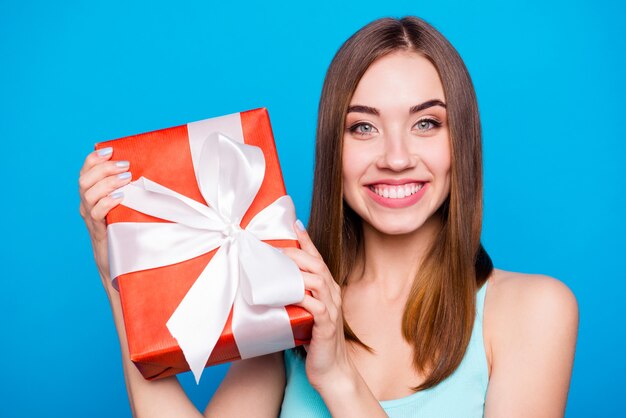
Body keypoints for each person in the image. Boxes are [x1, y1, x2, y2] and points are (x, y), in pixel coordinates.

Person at [79, 16, 578, 418]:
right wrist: (123, 278)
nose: (397, 156)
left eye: (426, 123)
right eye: (363, 127)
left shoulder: (533, 311)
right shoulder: (287, 301)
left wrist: (339, 377)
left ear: (460, 144)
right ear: (332, 151)